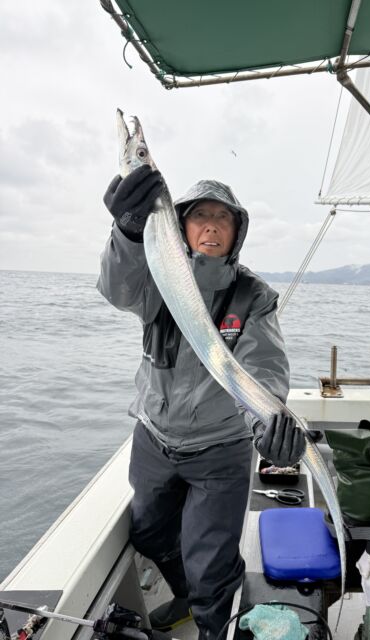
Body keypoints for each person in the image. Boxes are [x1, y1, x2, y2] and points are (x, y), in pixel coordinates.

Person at [98, 165, 306, 640]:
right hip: (154, 439)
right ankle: (187, 598)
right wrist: (127, 232)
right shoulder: (158, 276)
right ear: (182, 226)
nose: (211, 226)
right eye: (200, 217)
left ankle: (214, 624)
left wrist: (268, 423)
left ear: (237, 231)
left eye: (222, 218)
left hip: (221, 450)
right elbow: (117, 288)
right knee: (148, 533)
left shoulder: (253, 296)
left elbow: (263, 367)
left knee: (210, 564)